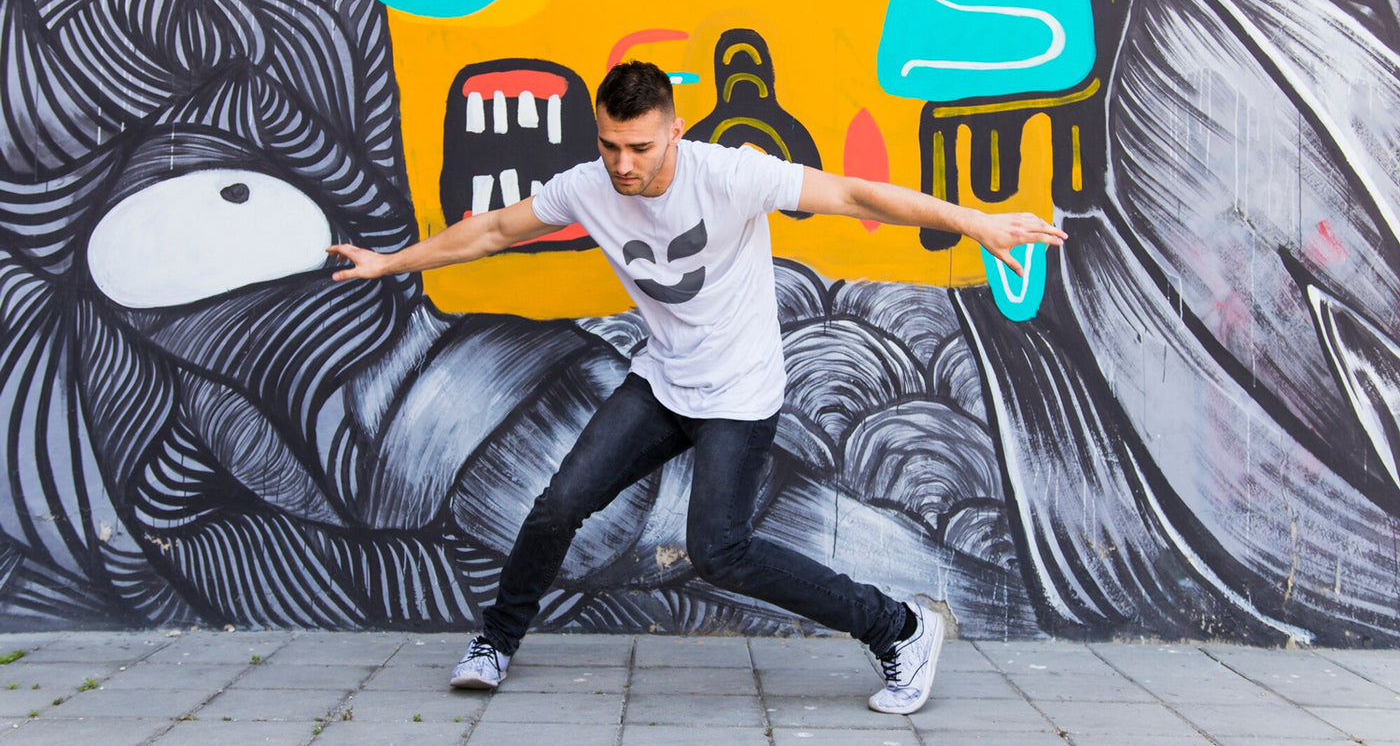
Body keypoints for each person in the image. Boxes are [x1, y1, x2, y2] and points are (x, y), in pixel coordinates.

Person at [328, 60, 1067, 715]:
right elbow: (491, 230)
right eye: (610, 145)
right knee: (559, 504)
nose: (623, 164)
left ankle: (900, 628)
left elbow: (854, 193)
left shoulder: (731, 173)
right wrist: (389, 262)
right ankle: (495, 640)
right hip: (663, 381)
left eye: (641, 148)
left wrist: (975, 222)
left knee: (720, 551)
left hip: (739, 395)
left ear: (675, 131)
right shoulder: (588, 186)